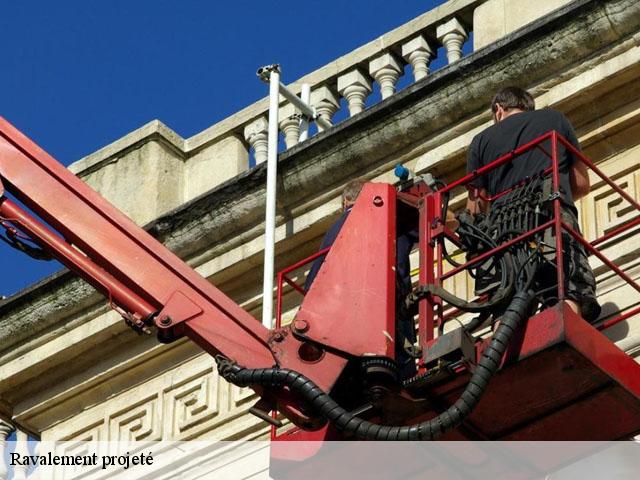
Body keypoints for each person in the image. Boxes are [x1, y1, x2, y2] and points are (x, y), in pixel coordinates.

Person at [465, 86, 600, 322]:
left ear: (498, 110)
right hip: (552, 214)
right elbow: (581, 183)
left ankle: (504, 352)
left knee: (507, 306)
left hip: (504, 232)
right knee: (563, 286)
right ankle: (565, 331)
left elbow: (475, 207)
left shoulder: (480, 141)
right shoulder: (554, 118)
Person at [304, 179, 418, 378]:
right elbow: (432, 220)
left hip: (340, 328)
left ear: (345, 202)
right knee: (402, 367)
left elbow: (312, 283)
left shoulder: (334, 230)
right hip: (388, 315)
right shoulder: (389, 215)